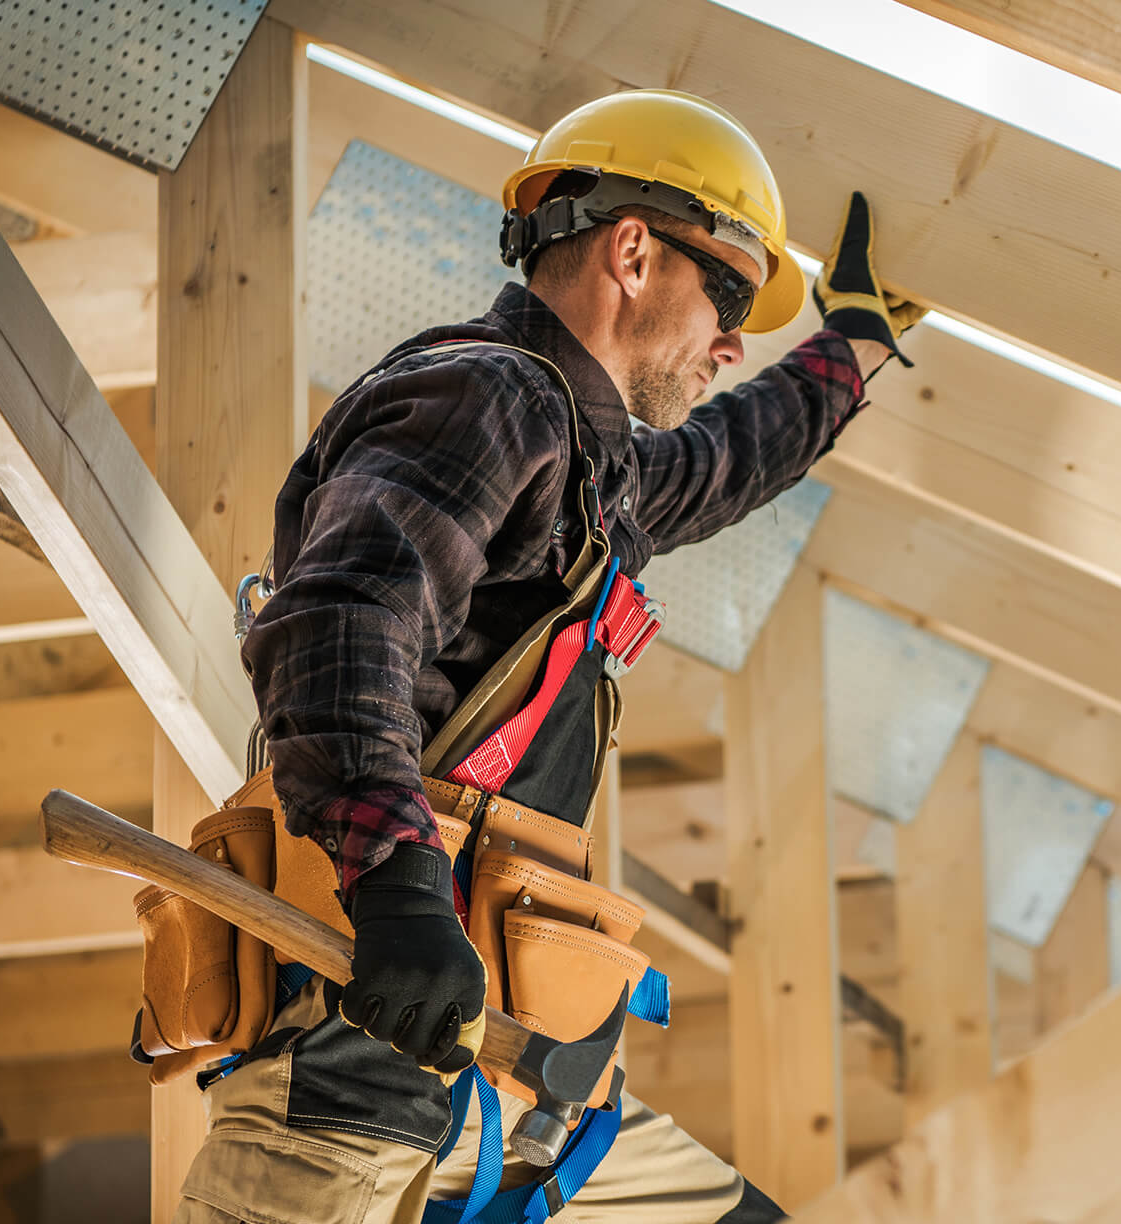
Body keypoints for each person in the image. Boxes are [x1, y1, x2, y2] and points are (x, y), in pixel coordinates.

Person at [164, 88, 924, 1223]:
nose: (729, 339)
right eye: (725, 292)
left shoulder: (589, 463)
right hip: (354, 1069)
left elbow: (729, 457)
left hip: (514, 1084)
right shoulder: (487, 394)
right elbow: (340, 626)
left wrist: (851, 345)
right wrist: (401, 891)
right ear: (630, 251)